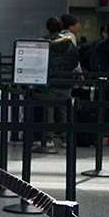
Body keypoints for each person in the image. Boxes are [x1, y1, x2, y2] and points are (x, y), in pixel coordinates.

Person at [40, 17, 79, 146]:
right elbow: (74, 61)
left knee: (49, 110)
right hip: (66, 79)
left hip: (49, 80)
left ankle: (49, 138)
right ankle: (65, 138)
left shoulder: (44, 42)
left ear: (47, 27)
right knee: (64, 109)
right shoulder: (69, 42)